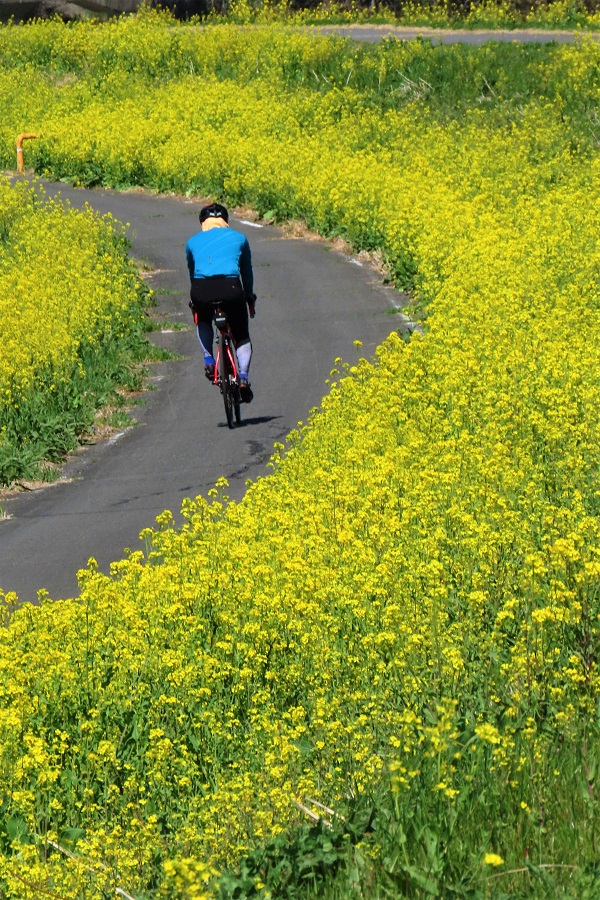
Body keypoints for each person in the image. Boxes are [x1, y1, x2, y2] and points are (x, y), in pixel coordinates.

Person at [186, 202, 256, 403]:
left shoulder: (192, 242)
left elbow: (193, 273)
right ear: (226, 221)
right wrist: (249, 297)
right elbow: (246, 272)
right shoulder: (240, 238)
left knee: (203, 321)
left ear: (203, 222)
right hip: (231, 288)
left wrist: (196, 300)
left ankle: (208, 359)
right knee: (241, 335)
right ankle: (242, 377)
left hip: (201, 289)